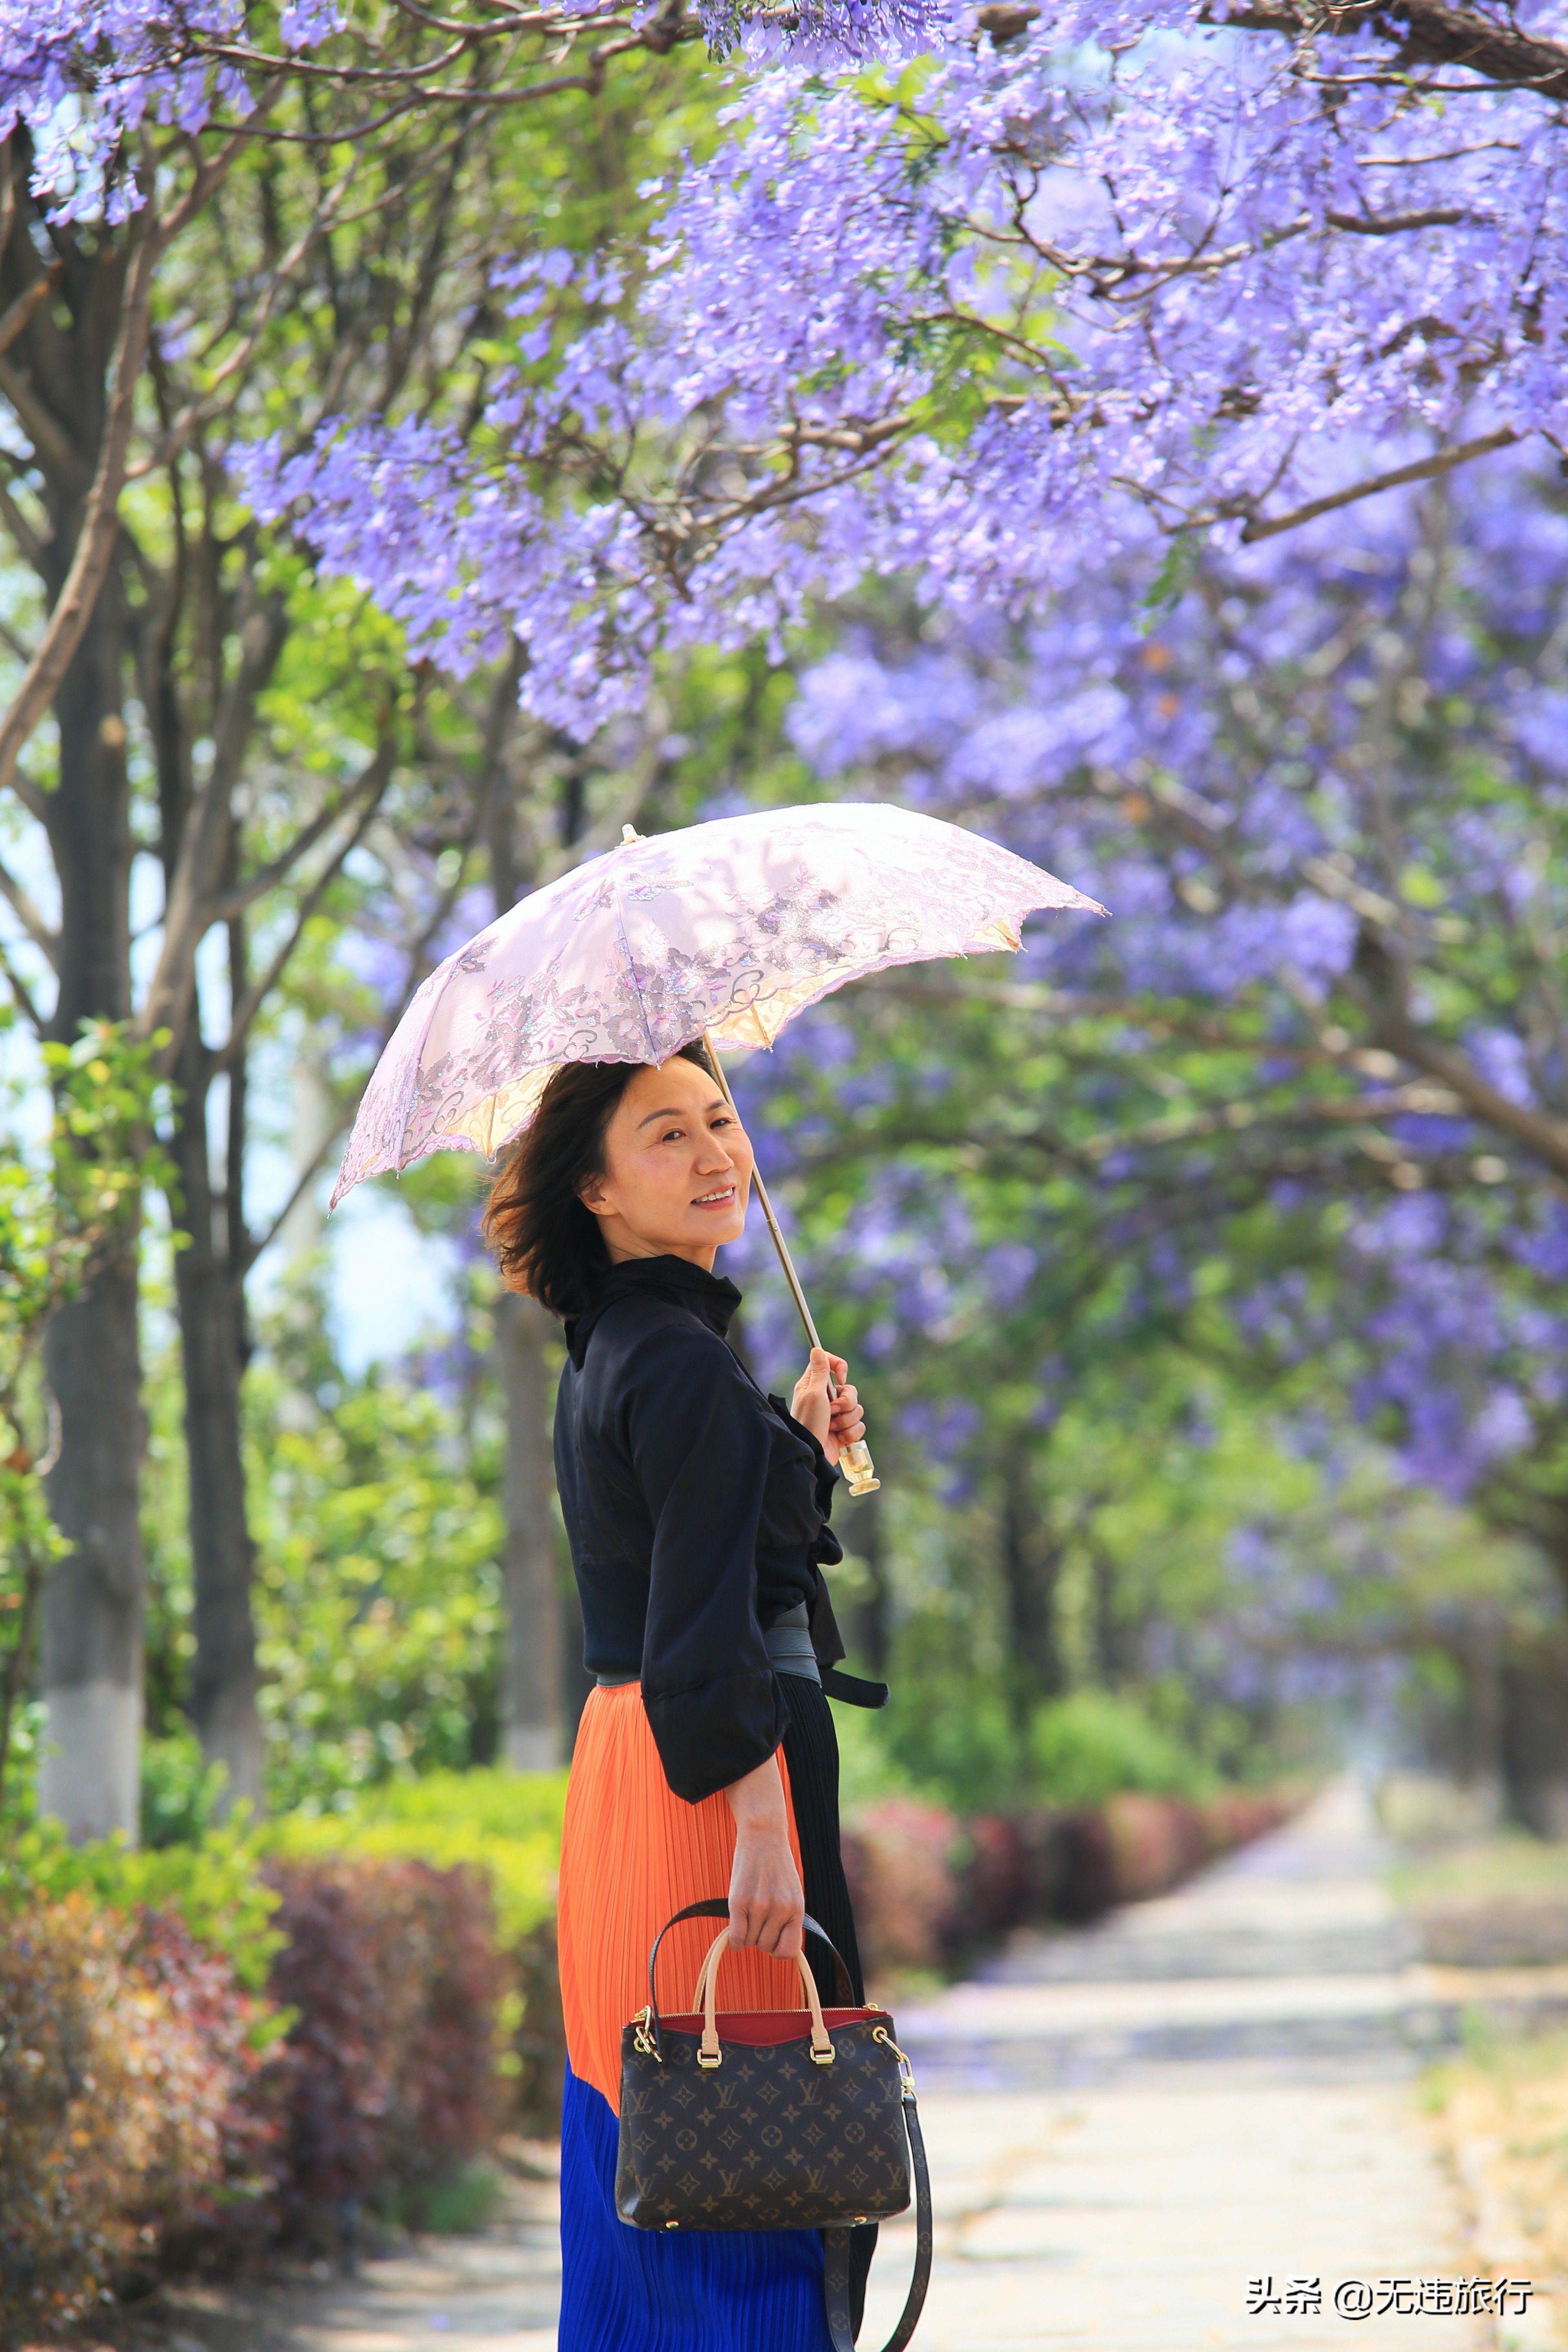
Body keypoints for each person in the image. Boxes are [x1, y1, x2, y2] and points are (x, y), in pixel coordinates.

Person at [482, 1043, 879, 2352]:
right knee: (747, 2123)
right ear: (594, 1189)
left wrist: (797, 1455)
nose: (717, 1155)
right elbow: (706, 1631)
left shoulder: (618, 1347)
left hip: (626, 1771)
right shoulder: (686, 1365)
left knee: (648, 2123)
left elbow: (699, 1562)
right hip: (708, 1780)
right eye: (666, 1136)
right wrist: (759, 1823)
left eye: (720, 1120)